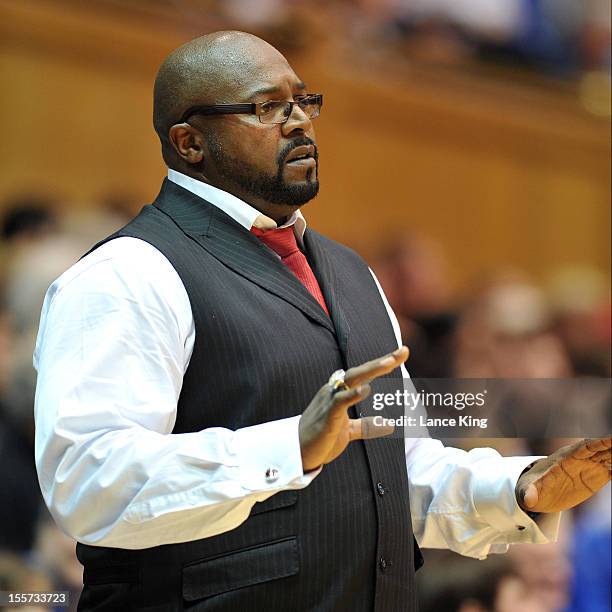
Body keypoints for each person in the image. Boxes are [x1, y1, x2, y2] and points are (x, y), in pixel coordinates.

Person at [33, 31, 611, 611]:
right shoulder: (127, 273)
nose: (298, 123)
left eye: (304, 102)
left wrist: (521, 488)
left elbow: (399, 469)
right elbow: (87, 482)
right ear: (189, 142)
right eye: (266, 108)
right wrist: (292, 447)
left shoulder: (351, 272)